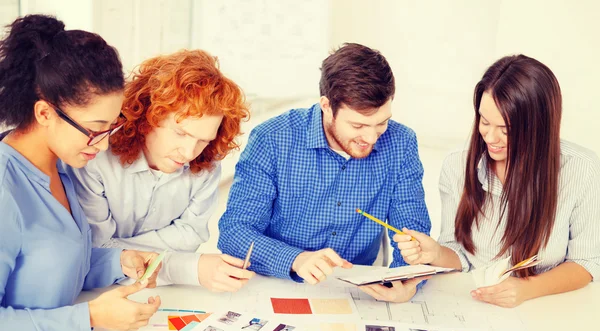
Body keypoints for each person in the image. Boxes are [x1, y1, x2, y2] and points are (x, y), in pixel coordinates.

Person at [0, 15, 161, 331]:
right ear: (44, 113)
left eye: (110, 128)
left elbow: (48, 266)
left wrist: (119, 261)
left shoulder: (63, 166)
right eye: (94, 130)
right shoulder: (6, 191)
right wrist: (90, 317)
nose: (102, 145)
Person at [218, 43, 431, 303]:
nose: (372, 137)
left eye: (382, 123)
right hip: (277, 283)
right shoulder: (272, 139)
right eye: (358, 125)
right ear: (326, 106)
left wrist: (406, 281)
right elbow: (235, 233)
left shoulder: (401, 142)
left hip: (357, 291)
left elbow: (414, 233)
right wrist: (295, 259)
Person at [396, 55, 600, 307]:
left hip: (548, 308)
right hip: (476, 305)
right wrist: (436, 254)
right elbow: (460, 255)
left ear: (538, 127)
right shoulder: (457, 166)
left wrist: (528, 289)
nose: (490, 137)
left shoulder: (581, 169)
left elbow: (586, 262)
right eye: (484, 121)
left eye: (505, 129)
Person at [67, 50, 254, 292]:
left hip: (162, 291)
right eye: (181, 133)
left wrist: (126, 252)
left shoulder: (206, 163)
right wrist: (186, 266)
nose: (188, 153)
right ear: (148, 117)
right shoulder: (96, 157)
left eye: (203, 140)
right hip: (95, 292)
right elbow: (95, 249)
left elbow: (190, 236)